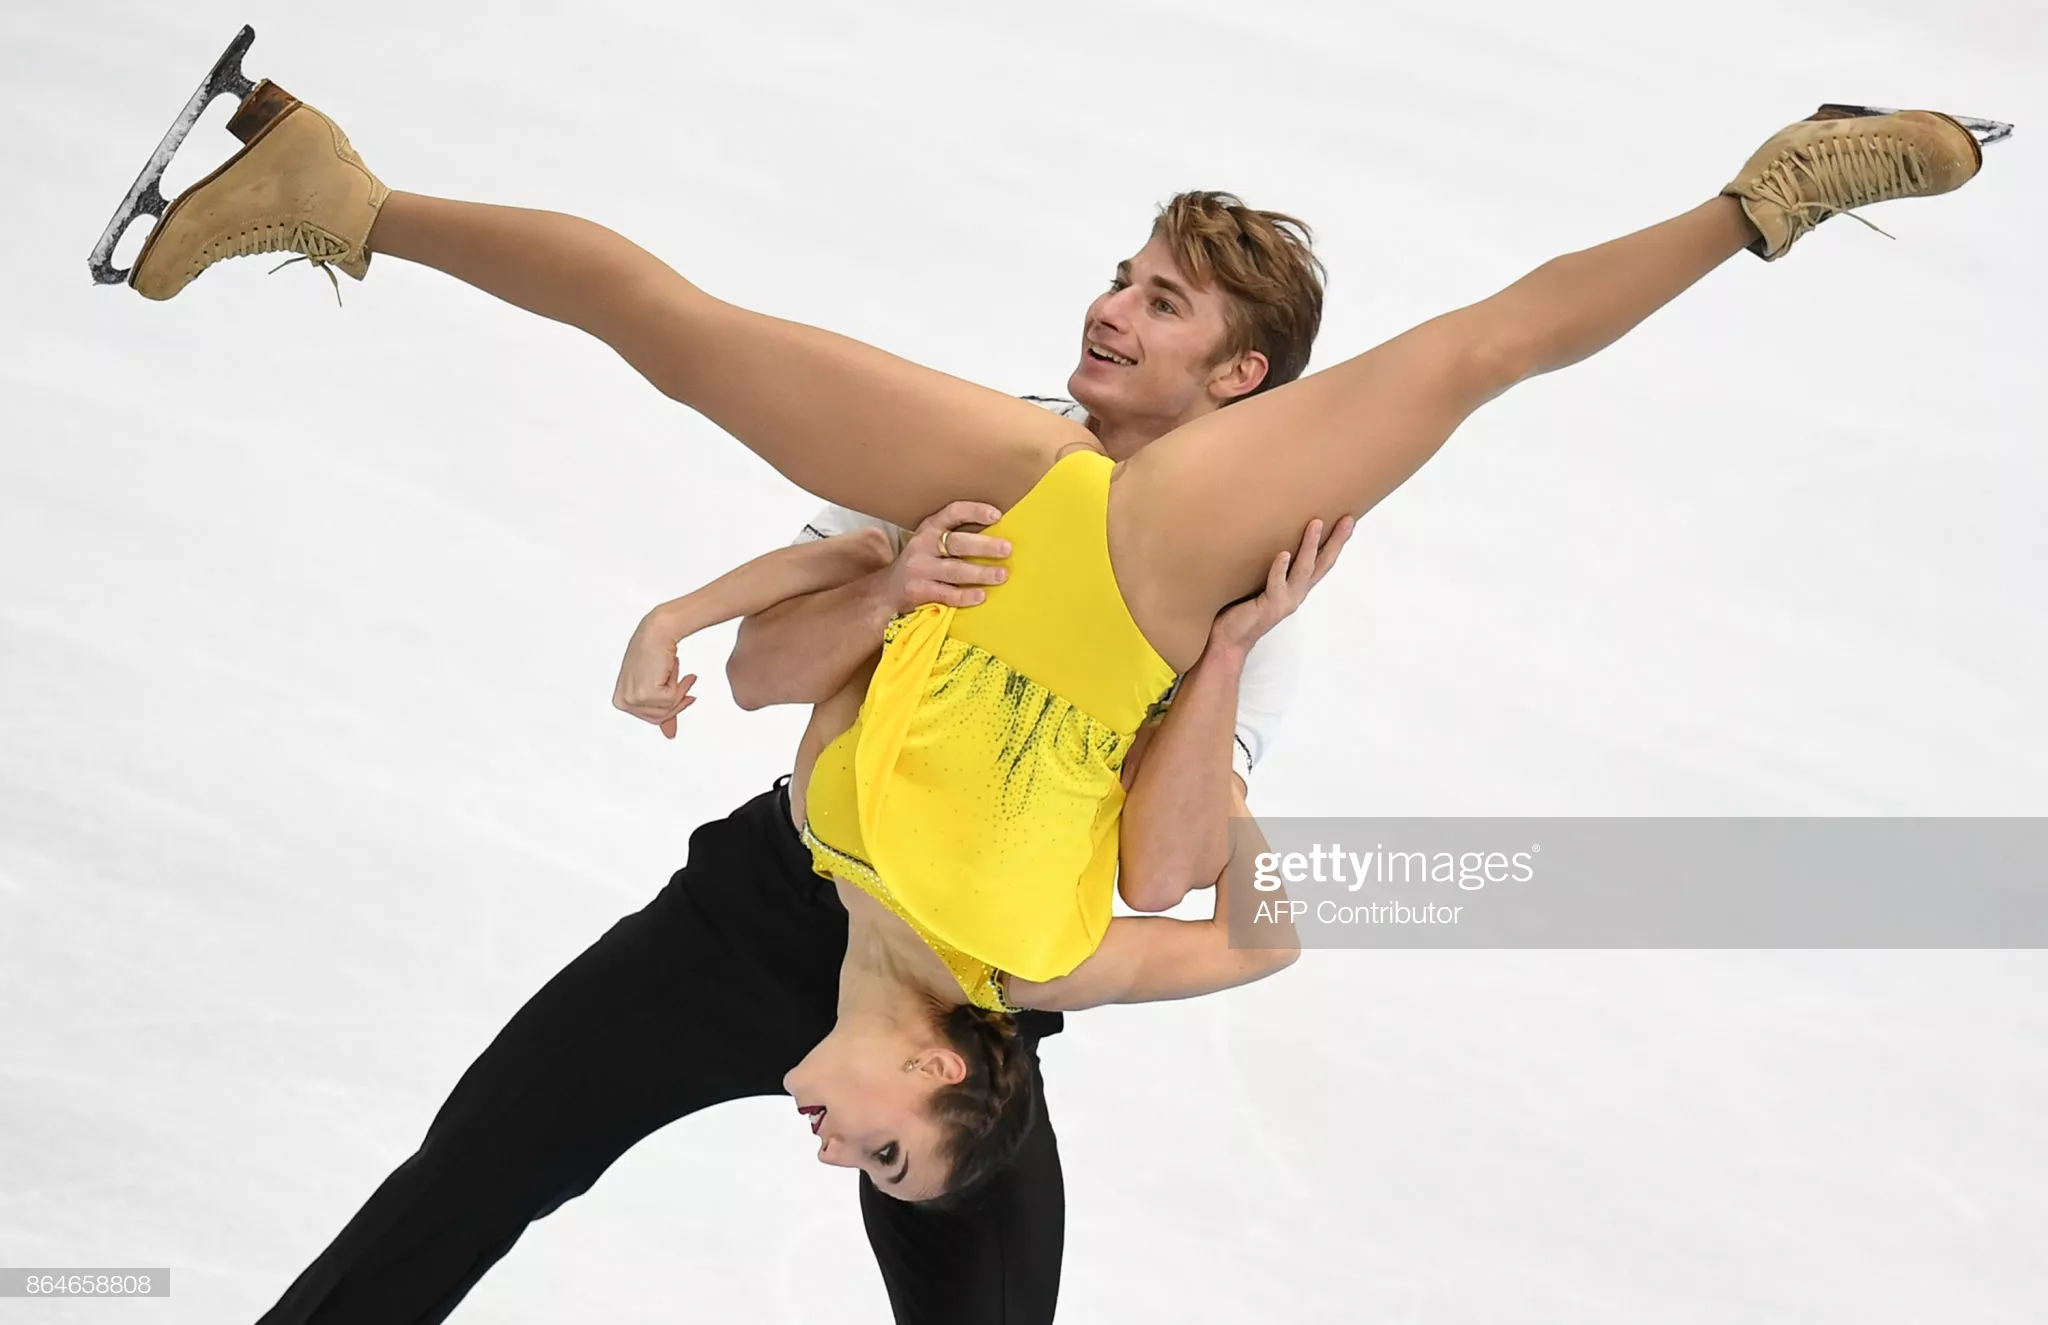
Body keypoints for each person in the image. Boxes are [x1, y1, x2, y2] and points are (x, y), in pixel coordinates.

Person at [120, 75, 1994, 1204]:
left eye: (1156, 301)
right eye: (1124, 277)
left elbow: (835, 691)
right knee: (681, 335)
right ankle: (337, 192)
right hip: (1097, 551)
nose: (1110, 307)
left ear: (1238, 377)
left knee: (1474, 358)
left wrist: (1223, 648)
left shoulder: (879, 816)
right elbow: (1225, 914)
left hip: (1123, 569)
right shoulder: (1028, 931)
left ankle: (1771, 193)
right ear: (944, 1071)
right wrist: (735, 601)